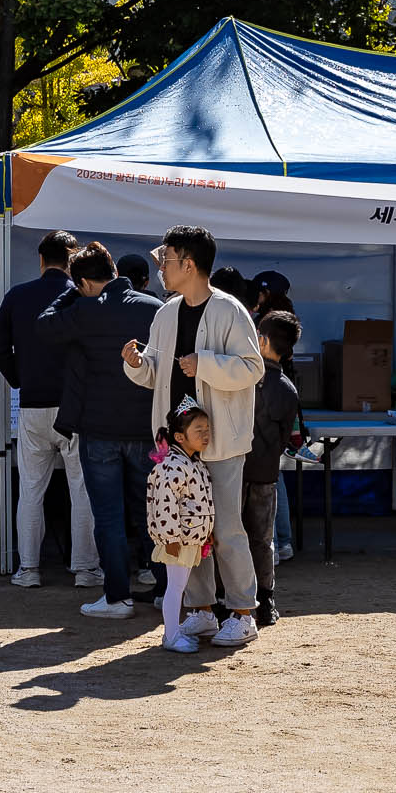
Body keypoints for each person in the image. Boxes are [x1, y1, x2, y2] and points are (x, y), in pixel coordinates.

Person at [123, 224, 265, 646]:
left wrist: (203, 363)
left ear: (189, 264)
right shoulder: (166, 312)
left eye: (165, 259)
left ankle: (243, 611)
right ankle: (202, 610)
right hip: (176, 445)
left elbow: (252, 368)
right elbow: (155, 372)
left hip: (218, 442)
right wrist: (134, 363)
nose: (161, 266)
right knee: (190, 530)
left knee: (224, 528)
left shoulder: (229, 310)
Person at [36, 242, 163, 619]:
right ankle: (165, 591)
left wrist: (68, 297)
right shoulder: (154, 308)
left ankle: (117, 597)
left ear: (84, 282)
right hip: (145, 428)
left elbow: (43, 326)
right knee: (151, 513)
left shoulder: (84, 309)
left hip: (99, 430)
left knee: (108, 517)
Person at [0, 229, 97, 588]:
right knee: (80, 488)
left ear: (40, 260)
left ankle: (29, 569)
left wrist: (21, 379)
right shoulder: (81, 297)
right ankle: (85, 569)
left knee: (31, 488)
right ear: (73, 260)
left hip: (32, 404)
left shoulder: (17, 295)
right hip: (75, 406)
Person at [245, 312, 304, 625]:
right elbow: (287, 438)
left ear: (262, 340)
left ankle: (233, 601)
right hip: (267, 473)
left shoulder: (246, 379)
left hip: (236, 470)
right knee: (262, 540)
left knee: (232, 538)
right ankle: (265, 601)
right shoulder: (288, 388)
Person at [147, 400, 217, 654]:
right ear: (180, 436)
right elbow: (164, 504)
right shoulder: (172, 466)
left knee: (177, 586)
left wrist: (205, 533)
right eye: (199, 430)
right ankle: (171, 635)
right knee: (175, 588)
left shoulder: (194, 464)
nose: (206, 434)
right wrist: (171, 538)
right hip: (179, 539)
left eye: (207, 428)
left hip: (190, 538)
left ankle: (173, 633)